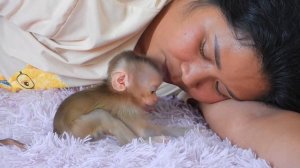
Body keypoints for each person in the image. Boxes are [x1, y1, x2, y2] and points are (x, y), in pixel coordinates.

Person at [0, 0, 300, 167]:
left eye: (220, 88)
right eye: (204, 49)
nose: (191, 77)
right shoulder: (86, 9)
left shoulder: (172, 82)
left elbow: (255, 123)